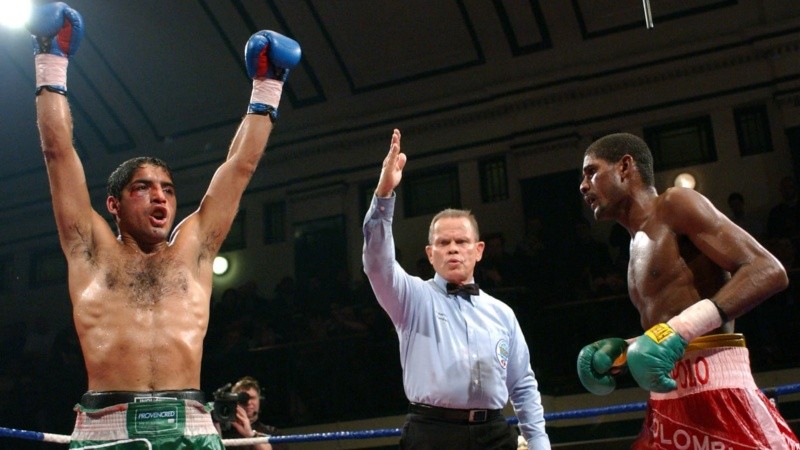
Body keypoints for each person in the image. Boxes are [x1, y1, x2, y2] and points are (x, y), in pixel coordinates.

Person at [26, 3, 300, 448]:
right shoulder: (90, 249)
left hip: (190, 424)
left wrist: (268, 88)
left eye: (168, 190)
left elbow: (240, 167)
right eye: (145, 188)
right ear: (113, 203)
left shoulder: (192, 250)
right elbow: (57, 153)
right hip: (107, 425)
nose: (161, 197)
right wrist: (50, 57)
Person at [576, 133, 800, 448]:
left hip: (717, 396)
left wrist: (679, 329)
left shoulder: (674, 204)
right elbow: (666, 338)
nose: (583, 186)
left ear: (625, 167)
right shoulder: (635, 245)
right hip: (667, 405)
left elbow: (768, 270)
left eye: (591, 172)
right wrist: (625, 350)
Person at [362, 129, 550, 450]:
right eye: (443, 243)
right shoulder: (412, 298)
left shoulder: (501, 313)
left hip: (494, 431)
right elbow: (378, 263)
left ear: (478, 250)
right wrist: (384, 193)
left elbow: (522, 384)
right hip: (433, 433)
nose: (453, 249)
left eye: (461, 242)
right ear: (430, 253)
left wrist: (539, 443)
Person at [218, 376, 286, 450]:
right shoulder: (224, 432)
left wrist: (250, 434)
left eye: (252, 398)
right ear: (235, 402)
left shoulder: (272, 432)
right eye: (243, 398)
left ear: (260, 400)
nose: (248, 402)